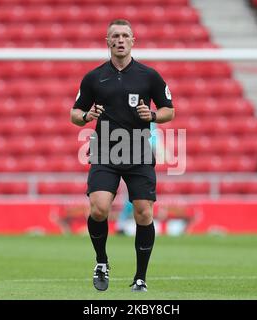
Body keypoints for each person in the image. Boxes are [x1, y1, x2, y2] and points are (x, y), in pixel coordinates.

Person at [70, 19, 175, 292]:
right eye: (115, 35)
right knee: (99, 208)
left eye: (125, 35)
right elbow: (74, 113)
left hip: (138, 148)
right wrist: (86, 116)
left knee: (143, 212)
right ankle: (102, 261)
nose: (120, 39)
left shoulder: (149, 76)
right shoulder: (94, 77)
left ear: (133, 41)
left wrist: (151, 115)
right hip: (106, 149)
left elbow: (169, 110)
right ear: (107, 41)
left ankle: (140, 276)